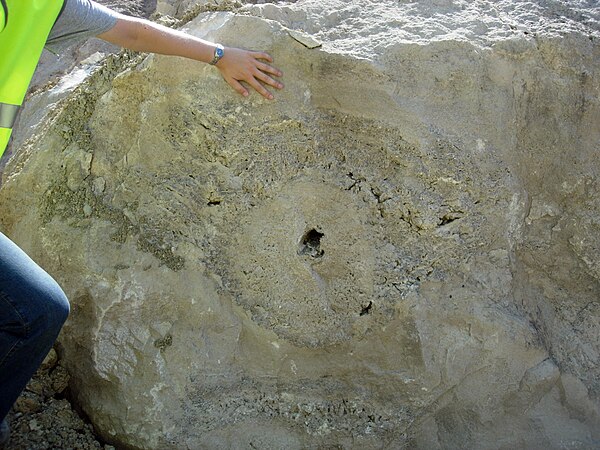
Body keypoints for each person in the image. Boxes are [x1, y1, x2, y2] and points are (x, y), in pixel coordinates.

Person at [0, 0, 284, 446]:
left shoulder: (40, 5)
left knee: (39, 310)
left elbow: (128, 31)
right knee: (34, 310)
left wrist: (219, 54)